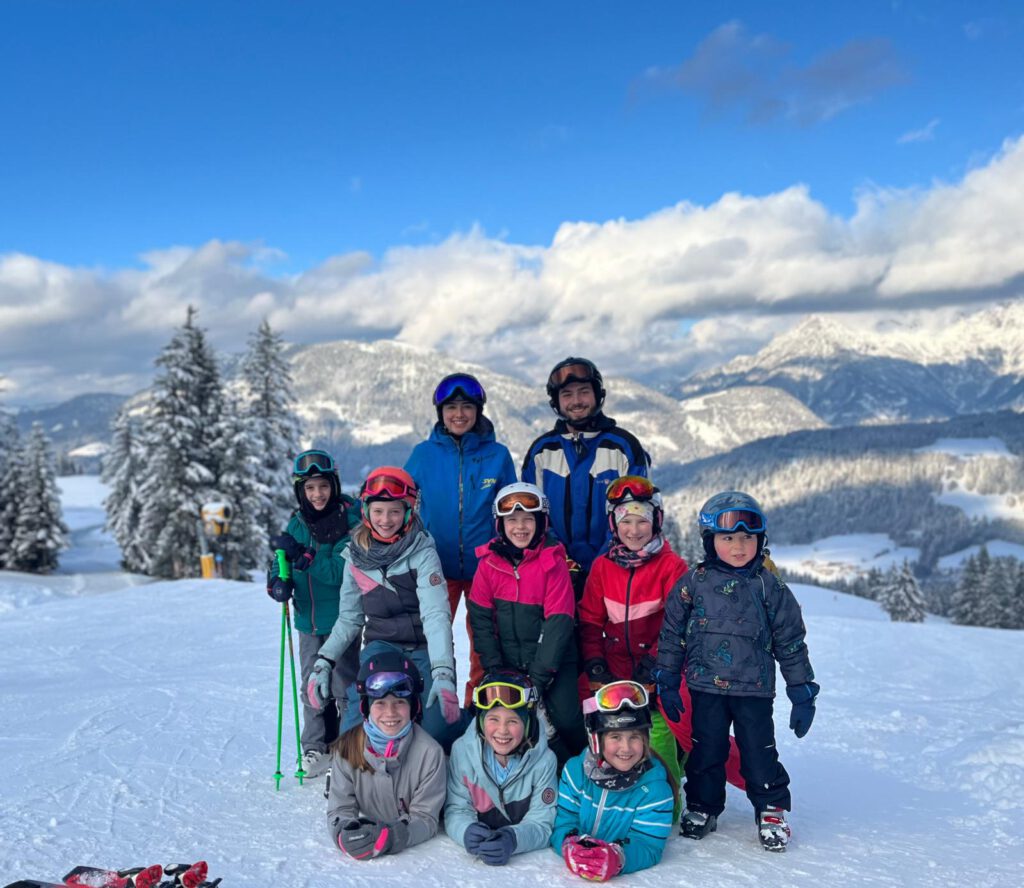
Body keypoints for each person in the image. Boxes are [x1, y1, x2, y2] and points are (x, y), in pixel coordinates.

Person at [653, 491, 819, 852]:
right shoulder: (693, 584)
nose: (739, 546)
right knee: (706, 751)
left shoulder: (770, 587)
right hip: (705, 687)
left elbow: (790, 641)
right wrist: (666, 677)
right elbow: (672, 636)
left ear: (760, 540)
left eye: (747, 537)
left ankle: (771, 807)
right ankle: (703, 805)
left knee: (758, 751)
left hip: (753, 690)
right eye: (728, 538)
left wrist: (801, 688)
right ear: (710, 541)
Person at [307, 466, 462, 748]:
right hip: (382, 646)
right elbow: (350, 618)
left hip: (424, 647)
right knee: (356, 727)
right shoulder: (356, 557)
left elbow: (436, 615)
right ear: (366, 511)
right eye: (378, 511)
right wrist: (324, 660)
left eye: (394, 511)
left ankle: (463, 736)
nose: (385, 520)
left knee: (440, 728)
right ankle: (357, 765)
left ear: (408, 511)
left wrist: (442, 671)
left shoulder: (422, 552)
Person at [405, 373, 517, 706]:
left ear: (478, 411)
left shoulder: (497, 455)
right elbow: (397, 500)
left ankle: (478, 706)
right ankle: (435, 707)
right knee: (432, 639)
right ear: (440, 412)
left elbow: (513, 509)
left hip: (487, 568)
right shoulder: (423, 454)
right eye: (451, 407)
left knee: (485, 643)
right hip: (436, 565)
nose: (459, 414)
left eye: (467, 406)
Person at [468, 482, 587, 766]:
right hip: (506, 662)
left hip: (553, 663)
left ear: (541, 522)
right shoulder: (488, 564)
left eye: (527, 520)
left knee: (566, 718)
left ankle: (582, 766)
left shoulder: (553, 562)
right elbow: (481, 621)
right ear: (500, 524)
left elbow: (558, 624)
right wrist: (494, 668)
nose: (520, 527)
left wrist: (538, 679)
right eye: (512, 520)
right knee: (504, 717)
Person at [268, 449, 361, 779]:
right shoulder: (297, 524)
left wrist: (304, 557)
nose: (317, 494)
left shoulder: (350, 523)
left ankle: (349, 747)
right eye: (310, 488)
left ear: (334, 486)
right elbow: (281, 561)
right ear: (300, 491)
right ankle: (316, 748)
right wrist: (277, 582)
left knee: (343, 685)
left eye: (323, 486)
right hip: (307, 620)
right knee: (311, 686)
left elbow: (339, 573)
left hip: (341, 620)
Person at [521, 357, 650, 588]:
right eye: (567, 394)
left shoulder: (623, 447)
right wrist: (562, 561)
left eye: (584, 392)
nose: (576, 401)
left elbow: (636, 513)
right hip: (556, 573)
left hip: (614, 571)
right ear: (556, 402)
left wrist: (603, 563)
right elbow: (534, 517)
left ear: (597, 395)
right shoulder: (542, 452)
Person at [327, 650, 446, 860]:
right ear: (366, 708)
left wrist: (395, 836)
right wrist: (343, 832)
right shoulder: (346, 749)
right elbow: (340, 808)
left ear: (414, 707)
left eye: (399, 702)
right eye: (380, 703)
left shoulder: (430, 753)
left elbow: (425, 818)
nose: (390, 713)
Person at [551, 681, 675, 881]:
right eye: (615, 737)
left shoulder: (655, 791)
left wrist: (618, 858)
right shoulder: (575, 772)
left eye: (635, 737)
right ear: (597, 741)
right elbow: (564, 821)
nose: (626, 748)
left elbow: (648, 844)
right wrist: (569, 844)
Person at [445, 671, 559, 866]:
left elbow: (542, 821)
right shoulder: (462, 752)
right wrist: (465, 830)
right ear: (481, 721)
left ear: (528, 723)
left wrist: (514, 839)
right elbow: (456, 809)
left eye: (513, 721)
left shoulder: (544, 761)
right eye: (493, 719)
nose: (502, 730)